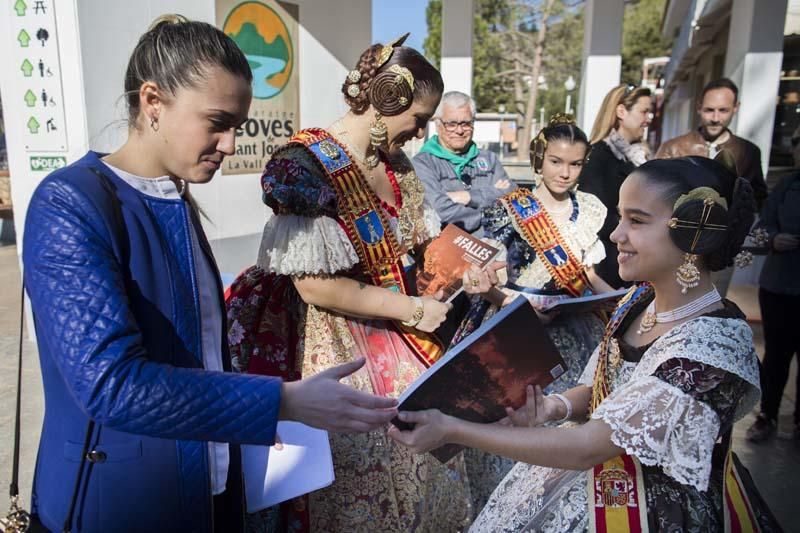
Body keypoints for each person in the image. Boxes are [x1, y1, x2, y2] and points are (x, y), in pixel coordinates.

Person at [21, 16, 398, 533]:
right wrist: (282, 401)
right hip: (118, 503)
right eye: (217, 122)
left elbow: (200, 354)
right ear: (153, 102)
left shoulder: (177, 199)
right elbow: (111, 385)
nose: (229, 144)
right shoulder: (70, 203)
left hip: (208, 491)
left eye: (238, 126)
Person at [390, 156, 782, 531]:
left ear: (693, 234)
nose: (616, 235)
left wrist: (452, 429)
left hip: (656, 512)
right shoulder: (639, 300)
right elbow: (605, 388)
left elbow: (588, 446)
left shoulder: (714, 343)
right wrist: (551, 407)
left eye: (637, 221)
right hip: (595, 486)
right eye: (620, 216)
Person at [226, 35, 471, 531]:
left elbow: (417, 250)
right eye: (419, 118)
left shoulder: (396, 166)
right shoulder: (306, 165)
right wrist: (412, 309)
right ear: (388, 98)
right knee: (356, 481)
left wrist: (466, 267)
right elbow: (314, 286)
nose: (422, 132)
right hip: (329, 341)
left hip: (396, 329)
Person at [452, 114, 614, 514]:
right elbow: (491, 278)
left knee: (567, 425)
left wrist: (618, 303)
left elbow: (589, 275)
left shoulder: (591, 209)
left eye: (575, 164)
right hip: (516, 331)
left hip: (575, 332)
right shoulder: (510, 209)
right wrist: (510, 302)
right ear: (539, 160)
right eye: (557, 162)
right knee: (510, 426)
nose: (565, 172)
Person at [579, 84, 652, 289]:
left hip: (633, 260)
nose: (648, 119)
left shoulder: (639, 156)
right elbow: (595, 214)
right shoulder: (598, 156)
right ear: (621, 111)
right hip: (608, 266)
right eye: (644, 111)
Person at [413, 90, 515, 236]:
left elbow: (512, 197)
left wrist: (468, 197)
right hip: (446, 251)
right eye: (451, 124)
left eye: (466, 123)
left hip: (493, 249)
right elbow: (440, 212)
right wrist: (488, 212)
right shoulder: (423, 163)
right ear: (438, 124)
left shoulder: (489, 159)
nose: (459, 130)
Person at [746, 170, 800, 442]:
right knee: (777, 356)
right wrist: (773, 239)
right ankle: (767, 415)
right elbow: (761, 228)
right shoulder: (788, 184)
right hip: (780, 285)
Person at [656, 78, 767, 209]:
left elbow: (758, 200)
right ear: (699, 107)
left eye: (723, 110)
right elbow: (655, 193)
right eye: (709, 110)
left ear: (736, 108)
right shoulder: (672, 148)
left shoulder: (750, 152)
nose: (715, 118)